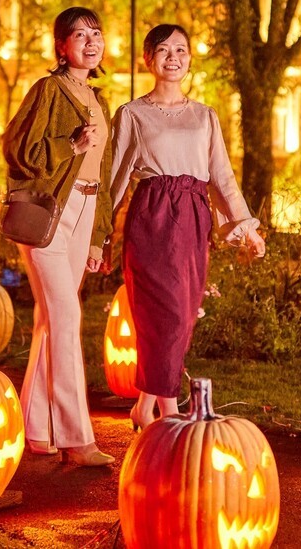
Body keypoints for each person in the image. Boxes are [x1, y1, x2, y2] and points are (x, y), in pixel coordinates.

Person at [103, 24, 266, 431]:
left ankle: (144, 405)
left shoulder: (205, 116)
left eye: (181, 49)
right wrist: (98, 236)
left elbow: (222, 176)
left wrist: (247, 228)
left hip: (193, 220)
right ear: (148, 59)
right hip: (151, 218)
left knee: (181, 315)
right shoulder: (131, 114)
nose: (173, 57)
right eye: (163, 50)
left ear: (190, 58)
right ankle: (169, 411)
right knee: (162, 313)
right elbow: (115, 181)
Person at [1, 6, 115, 468]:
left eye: (96, 33)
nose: (91, 41)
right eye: (79, 34)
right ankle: (75, 436)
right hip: (50, 211)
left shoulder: (99, 99)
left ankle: (35, 428)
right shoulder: (49, 90)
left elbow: (102, 173)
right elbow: (16, 149)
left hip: (86, 209)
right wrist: (69, 146)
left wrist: (98, 236)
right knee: (67, 314)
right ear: (61, 46)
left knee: (52, 318)